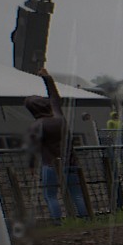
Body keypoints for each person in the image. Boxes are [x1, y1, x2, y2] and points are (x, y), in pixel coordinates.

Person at [25, 66, 88, 223]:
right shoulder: (59, 115)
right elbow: (54, 95)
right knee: (77, 193)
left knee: (50, 195)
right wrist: (47, 78)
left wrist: (31, 166)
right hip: (70, 161)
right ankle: (86, 219)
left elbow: (32, 149)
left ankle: (57, 222)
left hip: (50, 164)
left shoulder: (36, 126)